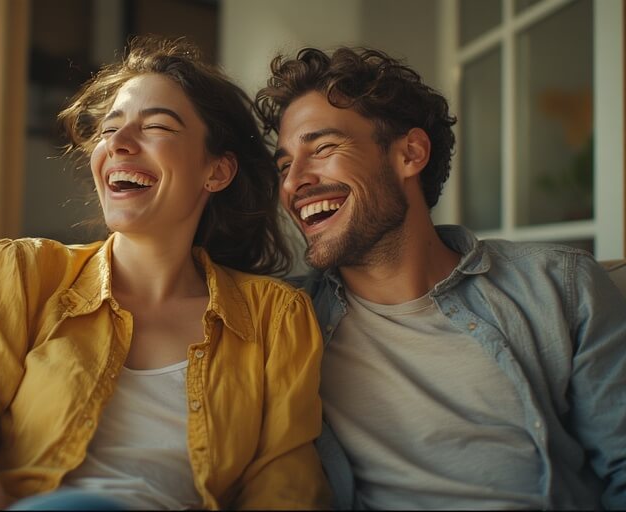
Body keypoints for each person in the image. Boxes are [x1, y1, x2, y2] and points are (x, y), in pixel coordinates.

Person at [0, 37, 331, 510]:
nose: (118, 144)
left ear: (217, 171)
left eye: (157, 127)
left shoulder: (276, 315)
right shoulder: (24, 271)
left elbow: (284, 474)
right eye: (109, 129)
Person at [255, 46, 626, 510]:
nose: (293, 183)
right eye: (285, 166)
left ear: (410, 154)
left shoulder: (562, 287)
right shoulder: (278, 320)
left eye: (323, 148)